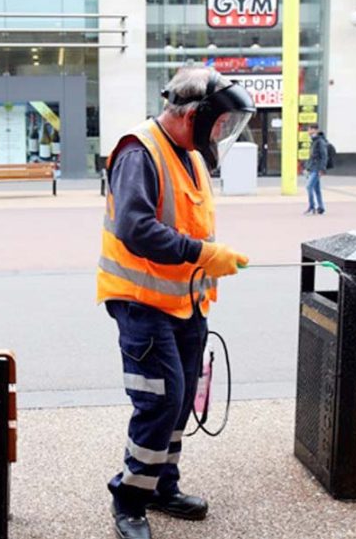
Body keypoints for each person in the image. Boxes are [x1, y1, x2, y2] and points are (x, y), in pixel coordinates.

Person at [96, 66, 255, 539]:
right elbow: (135, 227)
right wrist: (205, 255)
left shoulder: (191, 155)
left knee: (181, 399)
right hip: (143, 302)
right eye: (219, 123)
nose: (222, 132)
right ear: (192, 115)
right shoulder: (138, 151)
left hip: (186, 303)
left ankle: (162, 486)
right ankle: (129, 498)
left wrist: (206, 264)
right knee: (158, 402)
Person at [304, 125, 327, 215]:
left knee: (309, 187)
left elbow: (324, 156)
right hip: (313, 167)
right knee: (316, 189)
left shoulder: (320, 141)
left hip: (317, 169)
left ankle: (312, 207)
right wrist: (307, 167)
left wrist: (322, 169)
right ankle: (321, 207)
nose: (308, 131)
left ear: (314, 130)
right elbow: (312, 157)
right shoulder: (314, 141)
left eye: (309, 129)